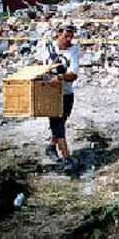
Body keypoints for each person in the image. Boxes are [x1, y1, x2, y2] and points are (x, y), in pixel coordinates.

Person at [39, 25, 80, 171]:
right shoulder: (47, 48)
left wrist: (60, 77)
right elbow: (42, 68)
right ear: (58, 34)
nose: (68, 40)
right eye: (65, 36)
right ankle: (67, 158)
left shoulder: (74, 50)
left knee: (61, 121)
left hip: (67, 93)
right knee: (59, 126)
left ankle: (51, 147)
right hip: (51, 94)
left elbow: (73, 75)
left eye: (71, 37)